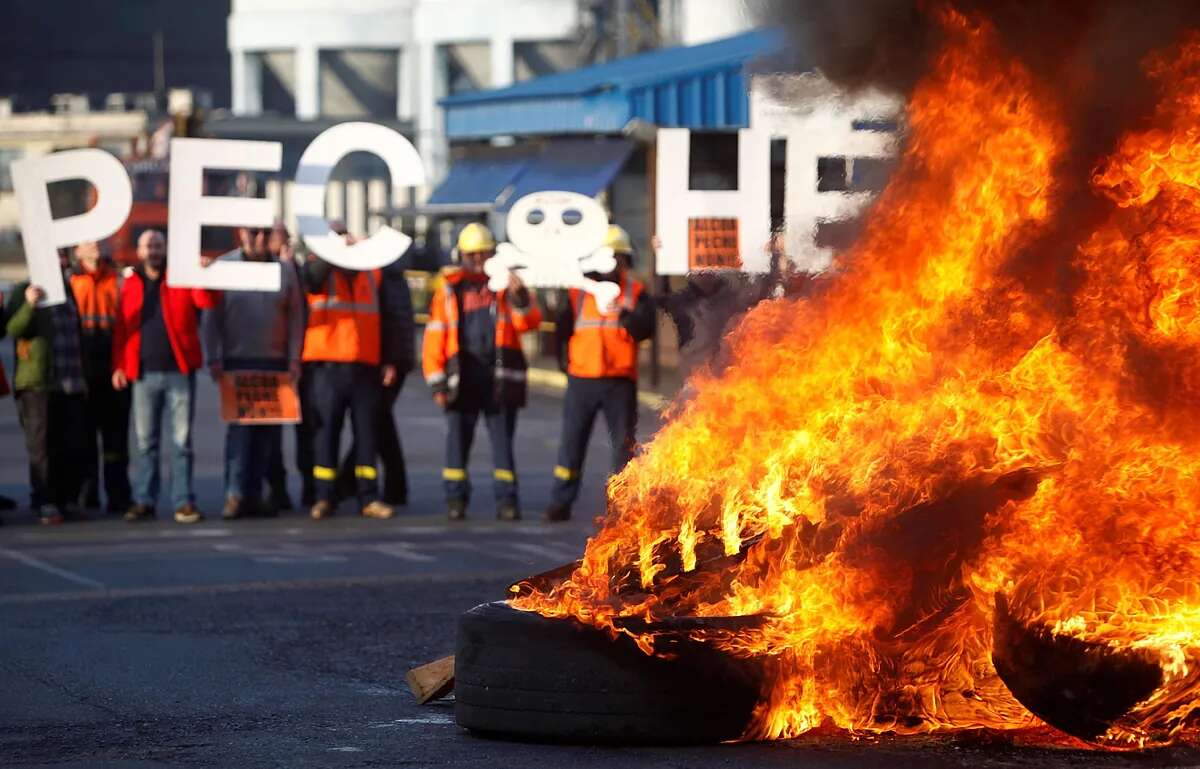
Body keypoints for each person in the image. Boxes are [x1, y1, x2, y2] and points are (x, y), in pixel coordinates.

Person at [423, 223, 541, 521]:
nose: (478, 260)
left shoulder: (507, 287)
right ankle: (455, 499)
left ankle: (507, 502)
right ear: (461, 255)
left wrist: (520, 297)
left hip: (498, 379)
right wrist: (437, 383)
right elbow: (435, 336)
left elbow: (529, 323)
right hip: (460, 379)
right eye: (472, 254)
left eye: (483, 253)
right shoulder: (449, 290)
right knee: (457, 444)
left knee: (503, 444)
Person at [543, 224, 655, 522]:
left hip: (619, 380)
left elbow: (646, 329)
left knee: (622, 447)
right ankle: (560, 501)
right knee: (572, 443)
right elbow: (562, 331)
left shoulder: (635, 292)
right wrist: (565, 366)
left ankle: (621, 508)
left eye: (618, 257)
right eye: (608, 257)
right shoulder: (578, 292)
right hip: (582, 380)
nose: (613, 264)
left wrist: (624, 313)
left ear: (625, 260)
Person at [112, 230, 215, 524]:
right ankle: (144, 500)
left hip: (178, 372)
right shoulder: (131, 283)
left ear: (165, 248)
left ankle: (183, 501)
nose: (154, 251)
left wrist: (204, 276)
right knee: (146, 443)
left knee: (181, 442)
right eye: (148, 246)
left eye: (158, 246)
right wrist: (119, 365)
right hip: (142, 374)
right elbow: (122, 327)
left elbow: (207, 302)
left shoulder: (181, 277)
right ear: (140, 251)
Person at [301, 244, 407, 520]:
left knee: (367, 436)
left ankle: (368, 497)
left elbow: (389, 317)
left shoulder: (372, 272)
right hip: (327, 365)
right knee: (326, 435)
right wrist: (332, 252)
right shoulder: (318, 269)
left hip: (365, 365)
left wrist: (390, 360)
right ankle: (323, 497)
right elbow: (309, 280)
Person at [204, 226, 304, 519]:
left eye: (264, 233)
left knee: (267, 437)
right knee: (240, 434)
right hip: (237, 361)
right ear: (241, 233)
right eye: (253, 233)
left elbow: (296, 316)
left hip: (274, 363)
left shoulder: (284, 271)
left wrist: (294, 358)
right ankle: (234, 495)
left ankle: (254, 495)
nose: (259, 239)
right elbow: (212, 318)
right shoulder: (224, 267)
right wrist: (213, 357)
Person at [3, 249, 90, 524]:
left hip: (71, 382)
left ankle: (67, 500)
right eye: (55, 258)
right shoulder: (23, 290)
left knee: (71, 445)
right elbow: (14, 330)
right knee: (41, 447)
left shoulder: (69, 290)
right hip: (38, 382)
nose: (61, 263)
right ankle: (45, 500)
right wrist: (29, 304)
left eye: (63, 258)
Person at [337, 253, 414, 506]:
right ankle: (393, 486)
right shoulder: (393, 274)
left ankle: (348, 482)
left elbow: (390, 320)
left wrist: (389, 361)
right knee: (380, 423)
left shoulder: (383, 275)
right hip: (392, 358)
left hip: (385, 361)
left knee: (374, 424)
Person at [69, 240, 132, 514]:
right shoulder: (70, 280)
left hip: (112, 364)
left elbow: (127, 325)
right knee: (83, 435)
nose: (93, 245)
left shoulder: (117, 278)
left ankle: (118, 493)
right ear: (77, 251)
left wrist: (122, 365)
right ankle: (87, 492)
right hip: (83, 365)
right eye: (87, 242)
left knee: (115, 437)